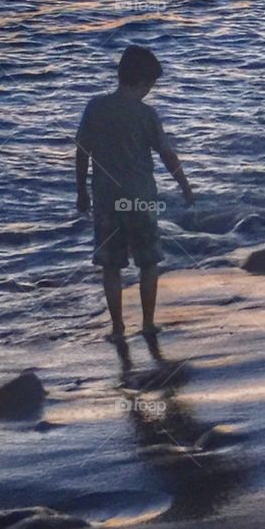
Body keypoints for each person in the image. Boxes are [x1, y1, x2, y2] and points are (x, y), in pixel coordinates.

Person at [75, 44, 194, 340]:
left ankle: (117, 328)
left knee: (111, 266)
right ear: (143, 83)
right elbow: (167, 154)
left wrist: (80, 190)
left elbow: (81, 152)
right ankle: (147, 323)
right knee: (148, 262)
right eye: (150, 86)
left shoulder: (95, 108)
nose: (149, 92)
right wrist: (185, 185)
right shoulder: (146, 115)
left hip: (106, 199)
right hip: (140, 199)